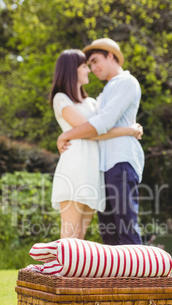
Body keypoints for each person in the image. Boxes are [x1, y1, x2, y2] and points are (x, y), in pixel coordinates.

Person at [56, 38, 145, 245]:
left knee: (125, 227)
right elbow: (93, 126)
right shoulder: (105, 92)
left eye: (96, 61)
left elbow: (102, 123)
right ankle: (116, 279)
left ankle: (140, 278)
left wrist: (66, 135)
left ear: (111, 56)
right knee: (109, 233)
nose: (93, 68)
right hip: (103, 168)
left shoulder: (126, 82)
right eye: (90, 64)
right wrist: (129, 129)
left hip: (121, 162)